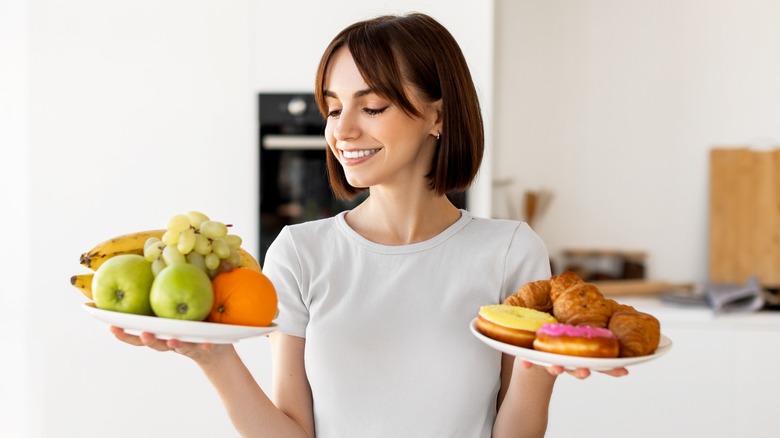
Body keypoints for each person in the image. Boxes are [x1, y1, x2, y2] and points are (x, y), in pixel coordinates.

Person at [111, 12, 626, 437]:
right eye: (333, 109)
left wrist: (543, 366)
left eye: (372, 105)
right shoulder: (299, 252)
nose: (343, 130)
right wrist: (213, 359)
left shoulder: (511, 251)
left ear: (438, 117)